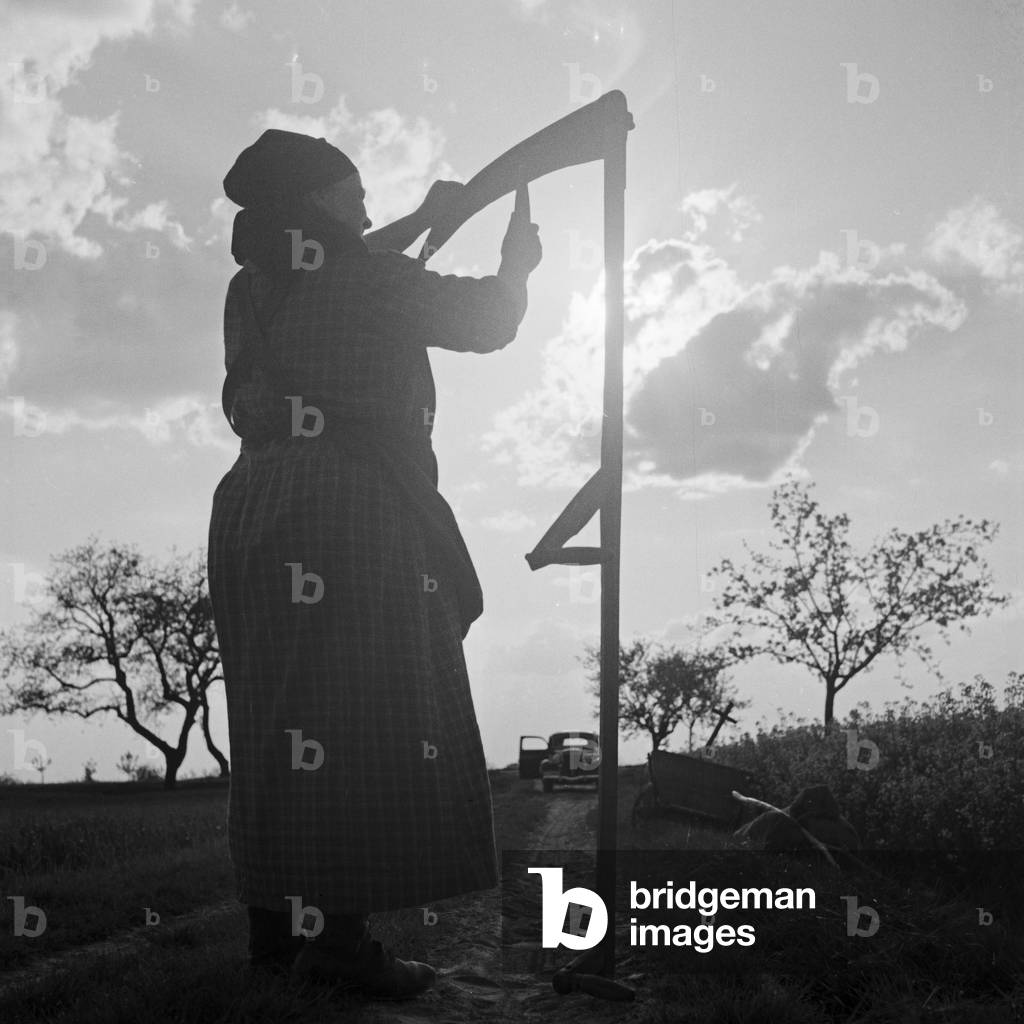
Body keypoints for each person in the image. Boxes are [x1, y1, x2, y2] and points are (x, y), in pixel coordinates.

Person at [207, 129, 541, 999]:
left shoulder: (253, 286)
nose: (364, 212)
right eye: (354, 196)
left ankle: (276, 936)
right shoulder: (366, 278)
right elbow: (488, 321)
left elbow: (335, 264)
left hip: (251, 506)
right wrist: (518, 264)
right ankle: (341, 948)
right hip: (343, 505)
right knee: (351, 717)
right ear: (320, 201)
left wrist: (424, 218)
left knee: (279, 723)